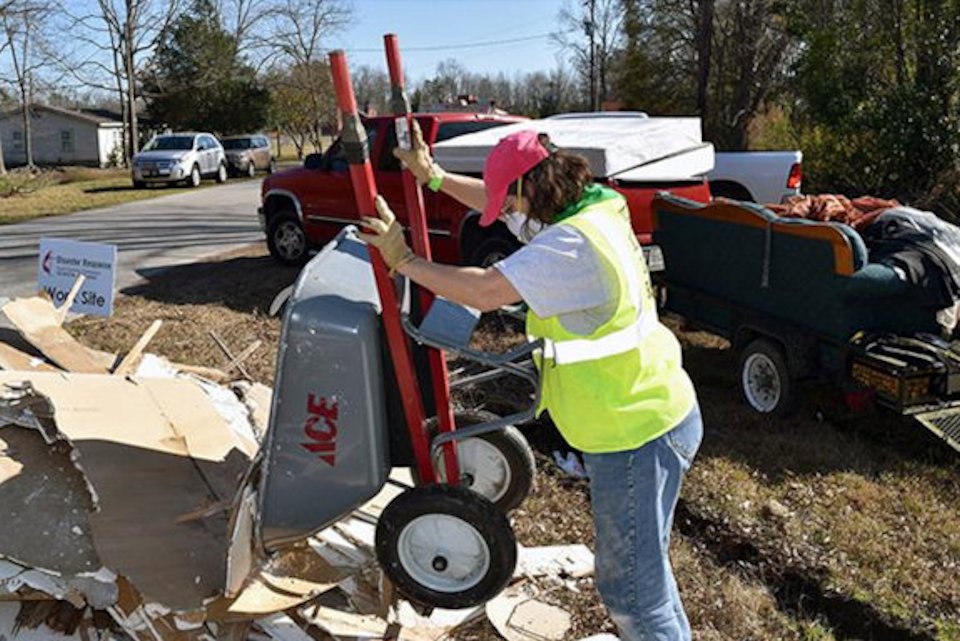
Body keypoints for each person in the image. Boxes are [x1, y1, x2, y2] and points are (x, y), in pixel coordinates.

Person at [360, 122, 703, 641]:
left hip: (634, 432)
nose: (511, 214)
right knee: (647, 580)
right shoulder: (593, 206)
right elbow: (497, 202)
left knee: (632, 594)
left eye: (513, 202)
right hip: (653, 411)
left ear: (533, 190)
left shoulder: (572, 247)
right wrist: (432, 177)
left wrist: (403, 260)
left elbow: (484, 290)